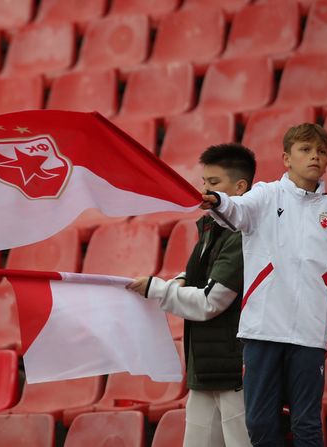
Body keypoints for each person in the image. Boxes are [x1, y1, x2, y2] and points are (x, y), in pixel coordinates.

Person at [200, 123, 327, 446]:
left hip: (309, 333)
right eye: (305, 150)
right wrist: (218, 199)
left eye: (321, 151)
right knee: (259, 423)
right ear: (287, 158)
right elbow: (236, 208)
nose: (315, 157)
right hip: (262, 329)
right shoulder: (264, 194)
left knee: (306, 423)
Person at [128, 143, 255, 447]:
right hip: (206, 368)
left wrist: (155, 289)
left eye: (213, 184)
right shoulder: (211, 229)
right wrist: (170, 285)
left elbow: (211, 302)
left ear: (239, 188)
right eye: (204, 182)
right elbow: (194, 280)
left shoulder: (242, 235)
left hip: (235, 369)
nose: (204, 190)